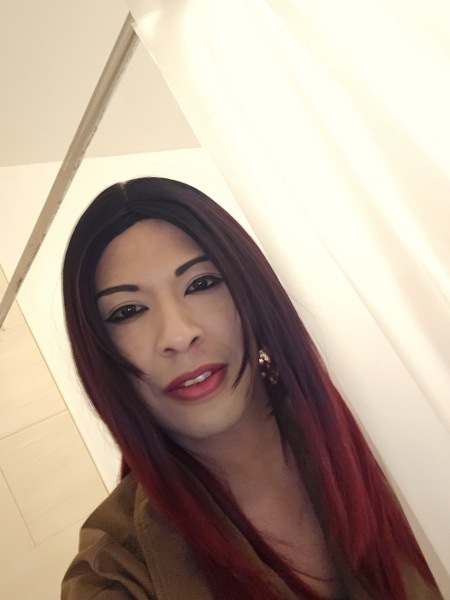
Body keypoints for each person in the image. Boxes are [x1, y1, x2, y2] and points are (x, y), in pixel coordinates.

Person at [61, 177, 442, 600]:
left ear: (252, 294)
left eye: (201, 284)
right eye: (128, 311)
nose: (178, 335)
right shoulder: (116, 569)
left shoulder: (394, 434)